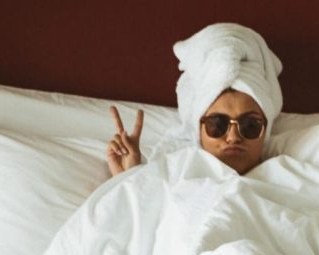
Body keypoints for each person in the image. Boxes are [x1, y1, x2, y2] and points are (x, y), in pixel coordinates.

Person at [105, 23, 283, 177]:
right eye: (217, 124)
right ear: (198, 129)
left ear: (266, 129)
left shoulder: (293, 181)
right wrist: (128, 177)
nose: (233, 137)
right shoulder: (171, 184)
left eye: (250, 126)